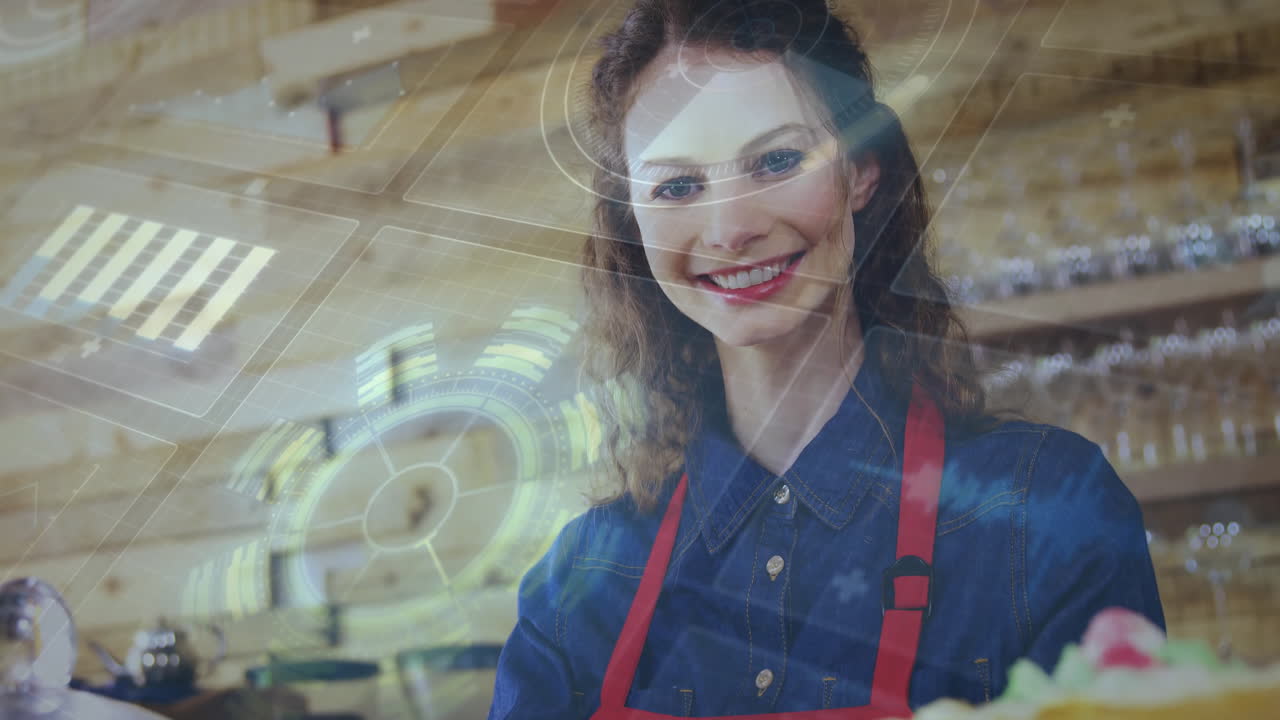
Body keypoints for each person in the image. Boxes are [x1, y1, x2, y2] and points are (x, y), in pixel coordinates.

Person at [489, 1, 1164, 718]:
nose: (731, 229)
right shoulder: (579, 585)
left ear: (862, 171)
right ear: (634, 218)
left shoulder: (1046, 512)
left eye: (777, 160)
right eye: (677, 185)